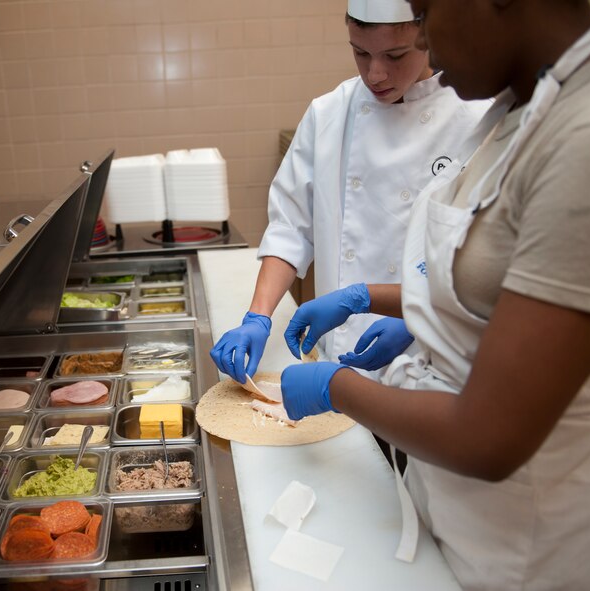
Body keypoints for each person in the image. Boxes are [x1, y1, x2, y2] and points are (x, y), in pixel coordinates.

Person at [281, 0, 590, 588]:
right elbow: (499, 291)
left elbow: (488, 438)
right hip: (469, 523)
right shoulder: (524, 111)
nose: (423, 39)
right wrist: (367, 297)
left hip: (541, 542)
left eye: (424, 13)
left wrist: (336, 387)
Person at [210, 0, 491, 384]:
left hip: (433, 359)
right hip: (335, 357)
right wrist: (258, 316)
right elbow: (291, 226)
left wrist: (415, 320)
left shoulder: (478, 119)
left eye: (394, 55)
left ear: (430, 37)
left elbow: (483, 263)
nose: (375, 74)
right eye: (360, 53)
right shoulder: (329, 113)